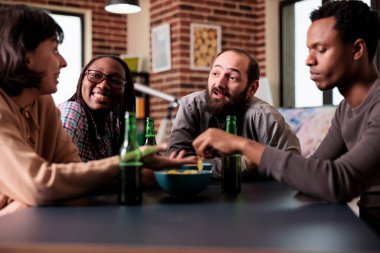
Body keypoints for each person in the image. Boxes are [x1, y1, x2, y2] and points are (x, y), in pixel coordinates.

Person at [193, 0, 380, 235]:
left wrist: (241, 144)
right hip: (367, 233)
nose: (309, 60)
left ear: (357, 50)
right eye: (309, 50)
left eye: (321, 50)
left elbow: (339, 181)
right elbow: (313, 170)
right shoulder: (345, 110)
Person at [0, 4, 194, 217]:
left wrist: (136, 174)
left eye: (114, 80)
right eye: (54, 49)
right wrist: (127, 162)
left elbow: (74, 176)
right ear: (26, 55)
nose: (63, 62)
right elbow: (37, 187)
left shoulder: (43, 102)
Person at [169, 48, 301, 178]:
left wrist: (204, 166)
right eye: (215, 73)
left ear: (252, 88)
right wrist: (245, 162)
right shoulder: (190, 106)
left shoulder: (265, 116)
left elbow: (295, 168)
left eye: (232, 77)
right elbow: (178, 165)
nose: (219, 83)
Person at [58, 55, 135, 162]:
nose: (103, 85)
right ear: (82, 80)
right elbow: (58, 167)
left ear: (124, 92)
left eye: (116, 81)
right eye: (95, 75)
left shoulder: (112, 125)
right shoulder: (72, 110)